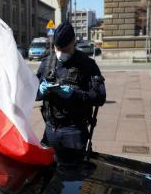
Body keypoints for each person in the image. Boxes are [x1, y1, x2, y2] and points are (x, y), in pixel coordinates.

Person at [36, 21, 106, 163]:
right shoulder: (47, 62)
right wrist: (40, 91)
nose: (60, 53)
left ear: (74, 41)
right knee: (48, 175)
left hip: (74, 131)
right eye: (57, 48)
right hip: (50, 129)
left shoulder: (87, 64)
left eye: (65, 49)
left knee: (73, 177)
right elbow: (32, 92)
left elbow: (100, 96)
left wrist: (74, 94)